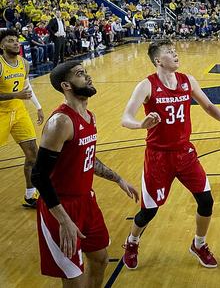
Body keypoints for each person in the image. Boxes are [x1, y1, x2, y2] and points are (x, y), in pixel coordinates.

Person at [120, 40, 220, 270]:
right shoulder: (146, 85)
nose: (176, 54)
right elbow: (125, 117)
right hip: (159, 156)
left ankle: (199, 244)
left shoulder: (188, 81)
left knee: (206, 201)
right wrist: (141, 125)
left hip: (185, 152)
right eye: (170, 52)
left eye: (175, 50)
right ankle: (132, 241)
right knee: (149, 211)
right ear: (158, 61)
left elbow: (208, 106)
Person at [31, 60, 138, 286]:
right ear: (66, 86)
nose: (88, 77)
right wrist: (64, 220)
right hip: (60, 207)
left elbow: (87, 156)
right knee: (73, 277)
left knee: (100, 259)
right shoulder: (61, 122)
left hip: (86, 200)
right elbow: (39, 175)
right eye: (80, 74)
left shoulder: (89, 116)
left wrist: (117, 178)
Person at [0, 28, 45, 207]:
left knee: (33, 155)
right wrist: (14, 95)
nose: (16, 43)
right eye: (10, 40)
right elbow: (18, 93)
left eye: (16, 40)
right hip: (1, 113)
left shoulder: (24, 63)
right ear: (2, 45)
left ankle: (30, 194)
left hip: (19, 112)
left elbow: (26, 88)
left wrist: (38, 106)